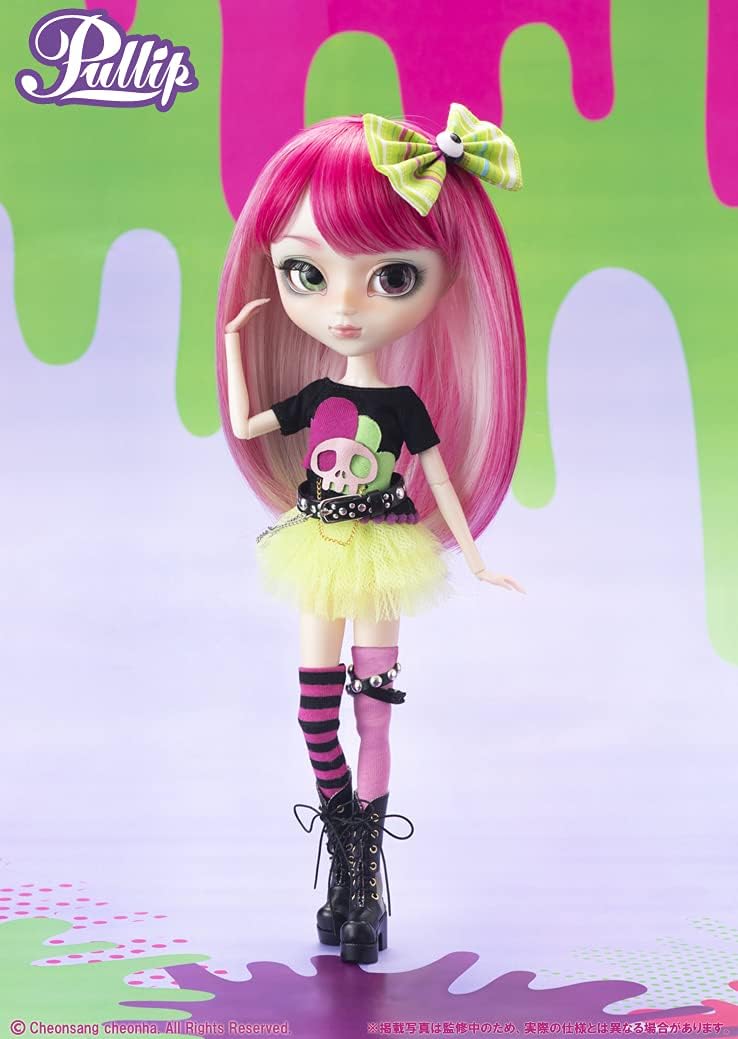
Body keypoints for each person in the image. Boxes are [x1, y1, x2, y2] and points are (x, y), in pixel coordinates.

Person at [216, 103, 527, 965]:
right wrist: (235, 341)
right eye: (307, 273)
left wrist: (474, 558)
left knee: (375, 716)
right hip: (319, 547)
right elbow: (245, 422)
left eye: (391, 276)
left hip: (387, 549)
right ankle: (347, 852)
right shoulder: (317, 399)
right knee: (315, 713)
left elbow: (438, 483)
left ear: (445, 279)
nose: (345, 308)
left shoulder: (403, 406)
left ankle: (362, 882)